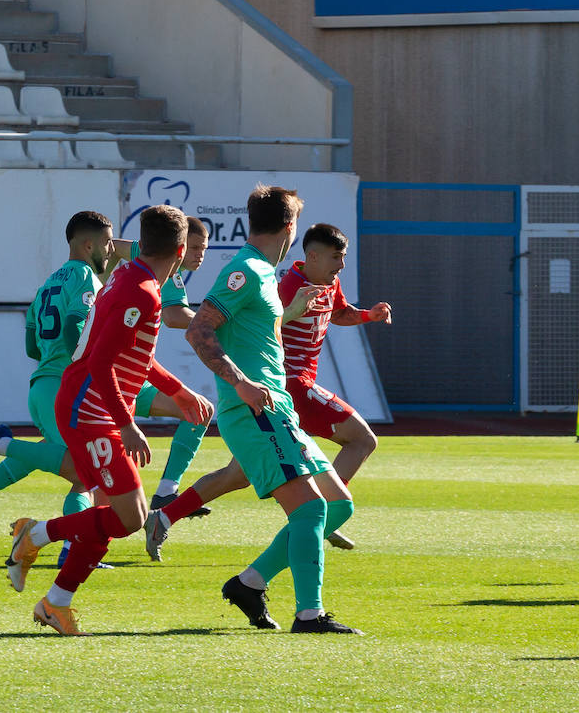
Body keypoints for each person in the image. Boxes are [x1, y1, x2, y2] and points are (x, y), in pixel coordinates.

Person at [3, 205, 212, 635]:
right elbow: (101, 362)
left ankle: (55, 603)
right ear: (177, 250)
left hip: (93, 406)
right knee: (130, 517)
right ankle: (36, 535)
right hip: (89, 411)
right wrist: (129, 425)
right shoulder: (143, 291)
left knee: (113, 514)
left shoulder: (128, 275)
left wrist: (177, 390)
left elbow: (136, 355)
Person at [142, 223, 390, 559]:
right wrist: (289, 314)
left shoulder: (330, 283)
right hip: (288, 386)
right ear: (311, 255)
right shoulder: (287, 285)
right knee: (362, 440)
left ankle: (164, 517)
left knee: (237, 474)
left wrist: (367, 316)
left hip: (276, 393)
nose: (340, 265)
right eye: (336, 257)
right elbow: (265, 325)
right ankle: (322, 517)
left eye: (343, 258)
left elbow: (339, 313)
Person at [181, 184, 360, 634]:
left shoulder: (262, 271)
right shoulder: (245, 270)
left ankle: (250, 582)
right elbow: (200, 331)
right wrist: (240, 384)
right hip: (256, 412)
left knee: (337, 505)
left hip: (279, 410)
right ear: (289, 226)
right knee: (311, 509)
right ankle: (310, 614)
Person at [0, 211, 127, 549]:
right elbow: (74, 327)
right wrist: (86, 365)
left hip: (42, 385)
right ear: (89, 245)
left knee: (56, 458)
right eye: (106, 242)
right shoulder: (87, 278)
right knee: (84, 473)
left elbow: (32, 346)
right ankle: (75, 546)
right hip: (66, 388)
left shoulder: (47, 285)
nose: (111, 248)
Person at [127, 216, 216, 515]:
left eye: (203, 248)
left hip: (133, 374)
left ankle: (166, 493)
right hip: (108, 380)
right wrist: (219, 324)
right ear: (178, 245)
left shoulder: (167, 273)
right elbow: (175, 316)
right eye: (194, 247)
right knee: (80, 474)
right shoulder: (160, 267)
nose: (199, 254)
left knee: (198, 410)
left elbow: (113, 247)